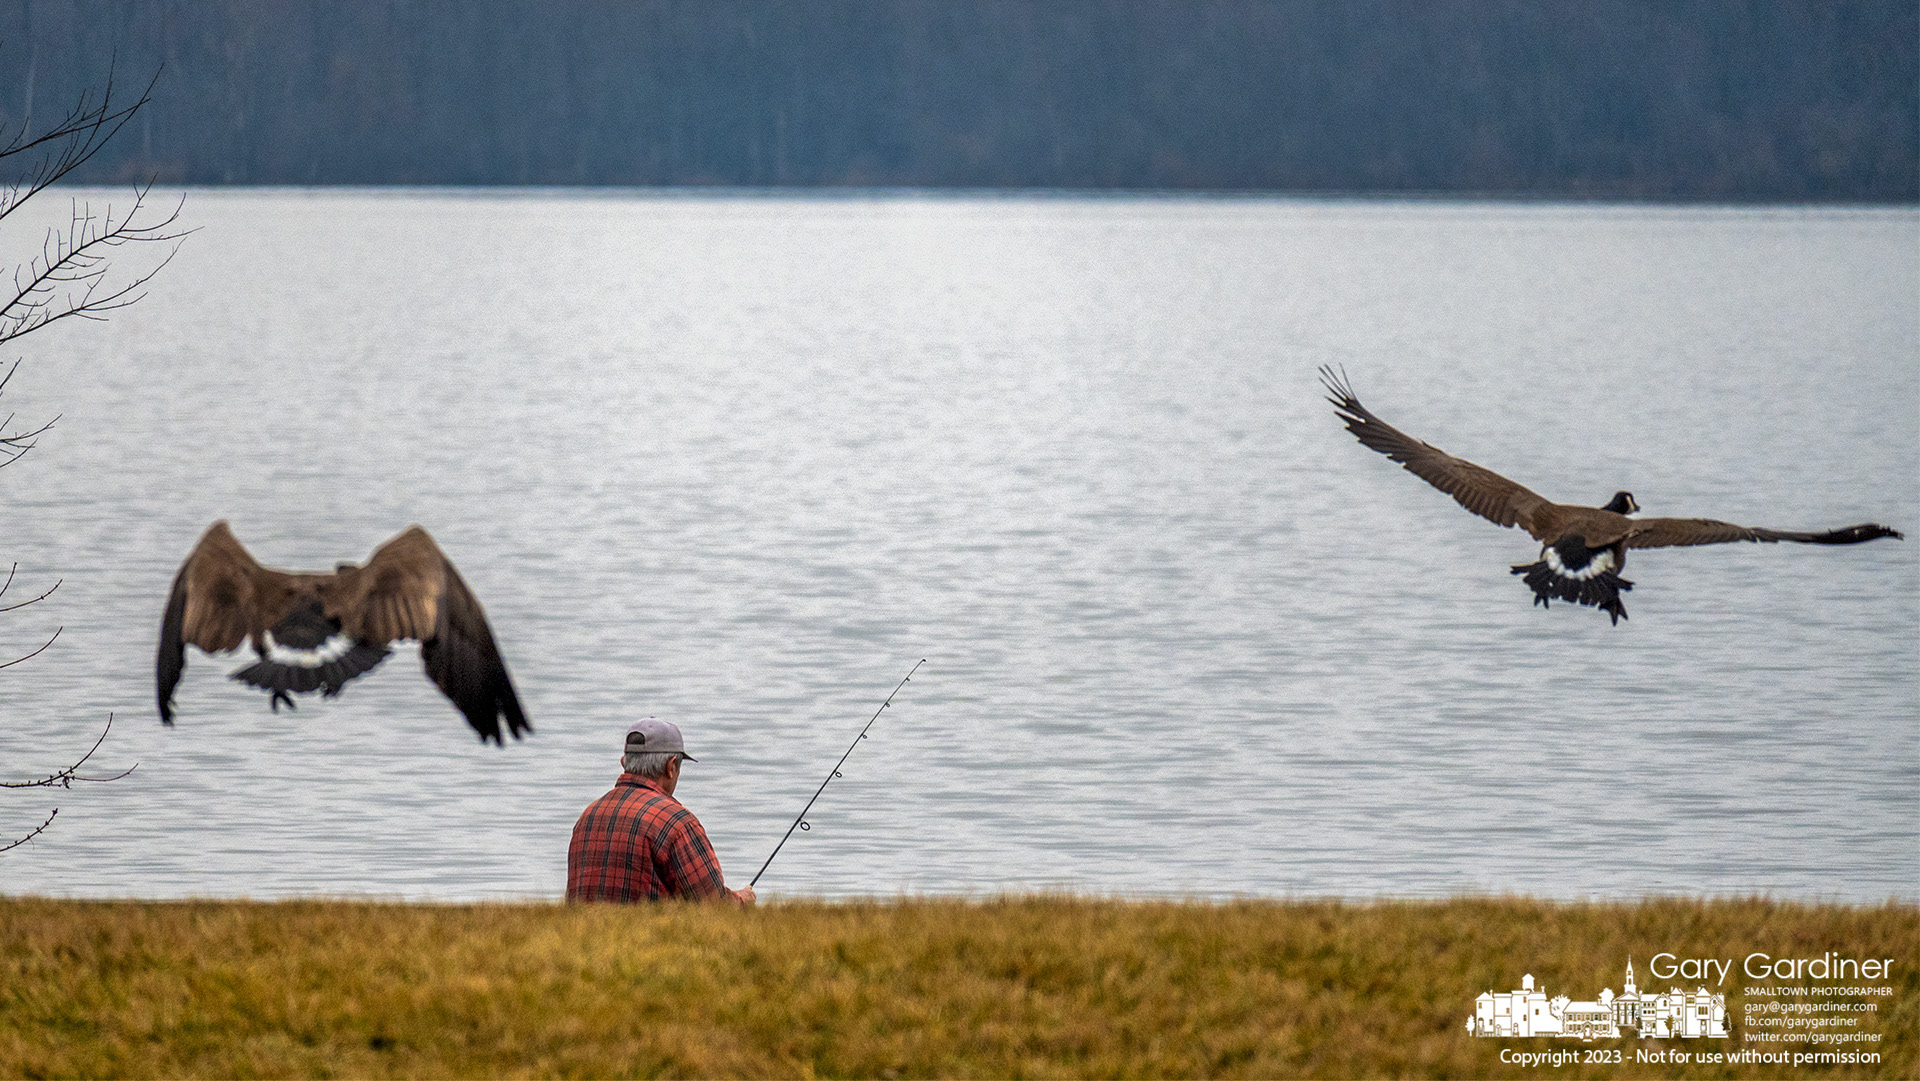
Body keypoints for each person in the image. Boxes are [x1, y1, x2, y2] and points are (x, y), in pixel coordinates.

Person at [567, 717, 755, 905]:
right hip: (649, 934)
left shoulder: (587, 817)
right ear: (671, 766)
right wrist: (742, 901)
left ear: (624, 763)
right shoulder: (676, 822)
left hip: (583, 933)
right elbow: (715, 906)